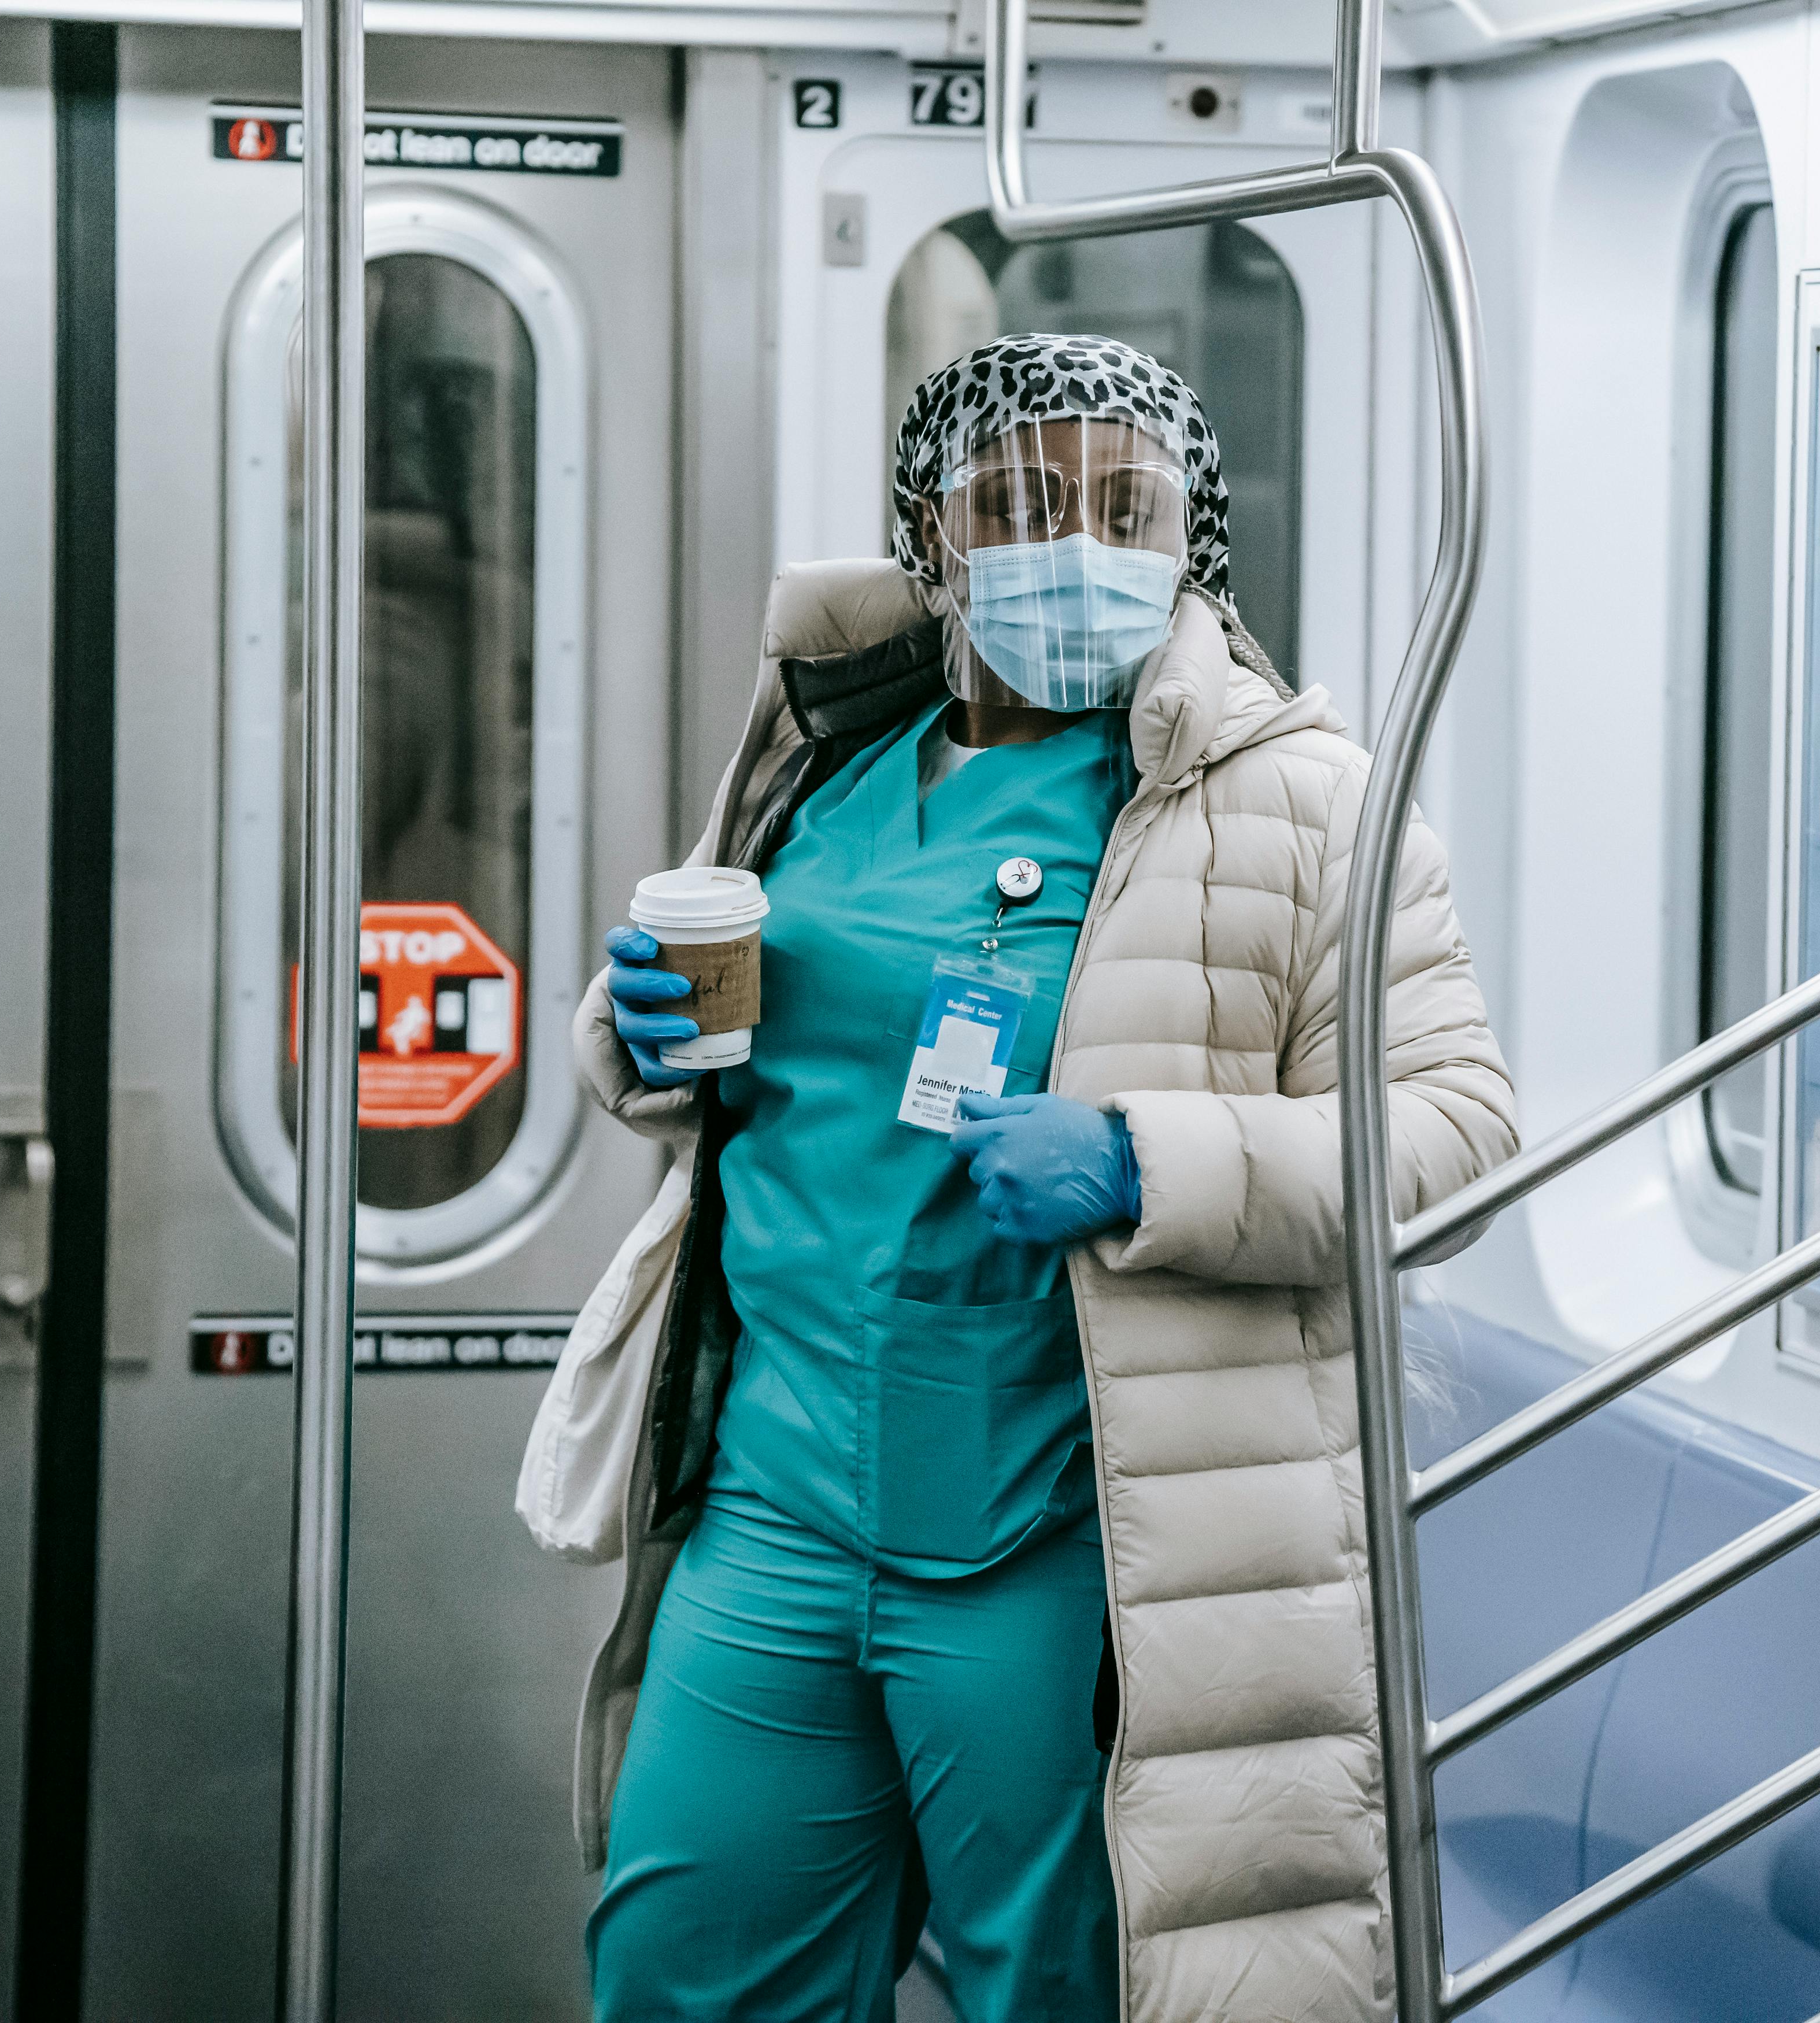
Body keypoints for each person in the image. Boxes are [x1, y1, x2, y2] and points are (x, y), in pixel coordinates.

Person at [543, 334, 1515, 2021]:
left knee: (1060, 1987)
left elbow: (1454, 1138)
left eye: (1121, 505)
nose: (1071, 540)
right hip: (773, 1499)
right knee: (680, 1968)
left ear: (1189, 538)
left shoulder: (1302, 803)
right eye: (1015, 499)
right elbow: (728, 1062)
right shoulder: (820, 758)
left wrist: (1146, 1158)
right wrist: (627, 1040)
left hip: (1060, 1530)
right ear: (933, 532)